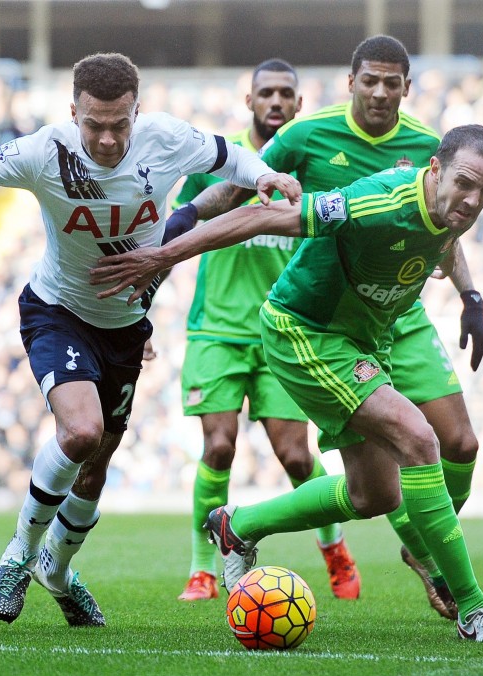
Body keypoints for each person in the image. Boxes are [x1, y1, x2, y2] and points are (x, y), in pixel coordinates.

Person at [91, 124, 483, 643]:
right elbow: (259, 215)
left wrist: (470, 296)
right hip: (306, 331)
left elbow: (445, 240)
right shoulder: (375, 201)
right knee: (420, 439)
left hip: (365, 339)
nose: (474, 200)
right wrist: (162, 256)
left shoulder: (449, 209)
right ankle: (475, 610)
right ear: (435, 170)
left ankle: (239, 525)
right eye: (465, 184)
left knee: (375, 494)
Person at [0, 52, 300, 627]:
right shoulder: (44, 151)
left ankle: (58, 571)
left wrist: (261, 174)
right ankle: (19, 556)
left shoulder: (165, 138)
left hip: (124, 328)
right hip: (58, 311)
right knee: (81, 432)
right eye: (94, 125)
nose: (109, 139)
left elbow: (231, 156)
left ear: (138, 112)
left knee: (95, 466)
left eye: (120, 124)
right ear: (73, 113)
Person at [167, 35, 483, 620]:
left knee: (450, 449)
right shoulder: (306, 136)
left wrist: (470, 295)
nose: (381, 92)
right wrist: (173, 234)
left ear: (407, 87)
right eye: (372, 81)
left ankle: (413, 544)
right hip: (321, 314)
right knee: (397, 450)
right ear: (351, 83)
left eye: (393, 83)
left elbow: (443, 228)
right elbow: (241, 198)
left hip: (399, 313)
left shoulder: (430, 148)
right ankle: (460, 592)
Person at [169, 58, 359, 603]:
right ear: (249, 101)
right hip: (216, 330)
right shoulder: (218, 162)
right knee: (218, 447)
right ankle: (203, 569)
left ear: (299, 104)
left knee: (296, 456)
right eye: (266, 93)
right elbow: (174, 232)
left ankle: (334, 548)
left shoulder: (312, 165)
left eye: (285, 94)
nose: (276, 101)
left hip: (284, 329)